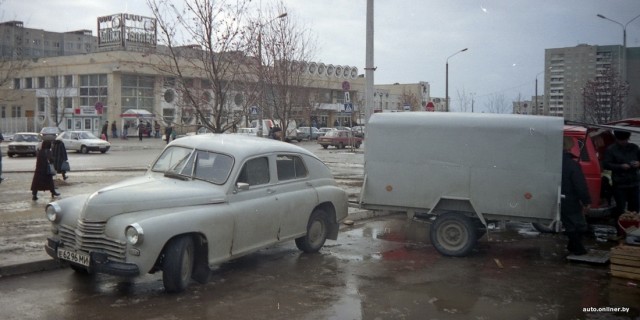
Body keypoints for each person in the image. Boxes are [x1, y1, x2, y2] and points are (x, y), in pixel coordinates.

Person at [561, 136, 591, 255]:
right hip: (570, 199)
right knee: (579, 225)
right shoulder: (572, 165)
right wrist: (586, 201)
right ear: (569, 148)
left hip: (558, 197)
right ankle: (578, 249)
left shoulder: (552, 162)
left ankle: (572, 247)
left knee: (569, 224)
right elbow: (580, 185)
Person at [603, 130, 640, 222]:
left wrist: (639, 163)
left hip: (634, 183)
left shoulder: (635, 148)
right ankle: (620, 229)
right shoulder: (611, 149)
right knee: (620, 209)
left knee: (635, 209)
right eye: (621, 140)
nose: (624, 142)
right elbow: (606, 164)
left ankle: (633, 229)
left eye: (626, 140)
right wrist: (620, 166)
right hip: (619, 184)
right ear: (617, 139)